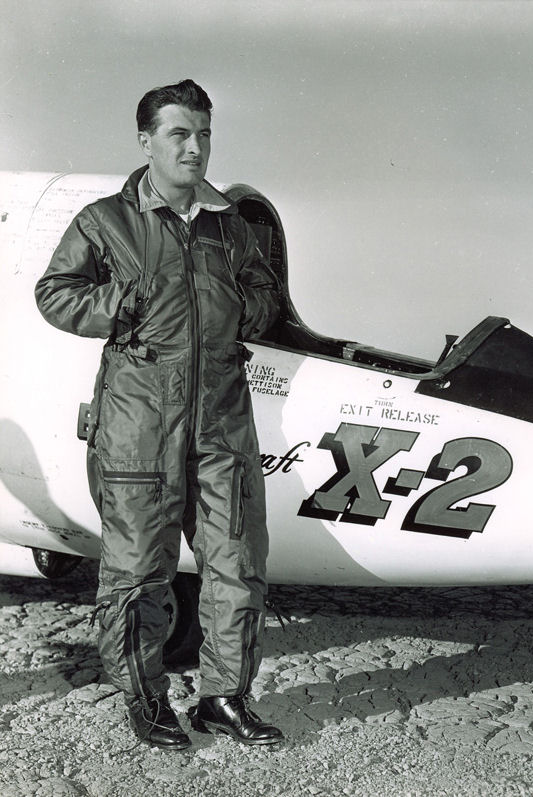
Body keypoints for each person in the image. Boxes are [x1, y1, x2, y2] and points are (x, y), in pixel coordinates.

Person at [34, 79, 283, 750]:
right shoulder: (104, 220)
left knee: (236, 561)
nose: (194, 148)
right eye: (179, 134)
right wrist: (122, 301)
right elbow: (55, 294)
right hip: (139, 424)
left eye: (203, 134)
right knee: (138, 569)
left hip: (222, 422)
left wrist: (245, 309)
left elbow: (264, 292)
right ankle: (146, 700)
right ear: (146, 142)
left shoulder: (228, 224)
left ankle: (223, 697)